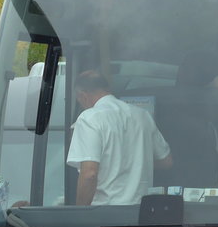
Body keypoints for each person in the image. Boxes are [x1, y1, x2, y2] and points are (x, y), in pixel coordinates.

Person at [66, 69, 172, 205]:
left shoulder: (89, 118)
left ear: (82, 96)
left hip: (106, 216)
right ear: (107, 89)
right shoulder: (142, 116)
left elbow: (89, 174)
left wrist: (78, 215)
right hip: (142, 214)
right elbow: (166, 161)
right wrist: (134, 162)